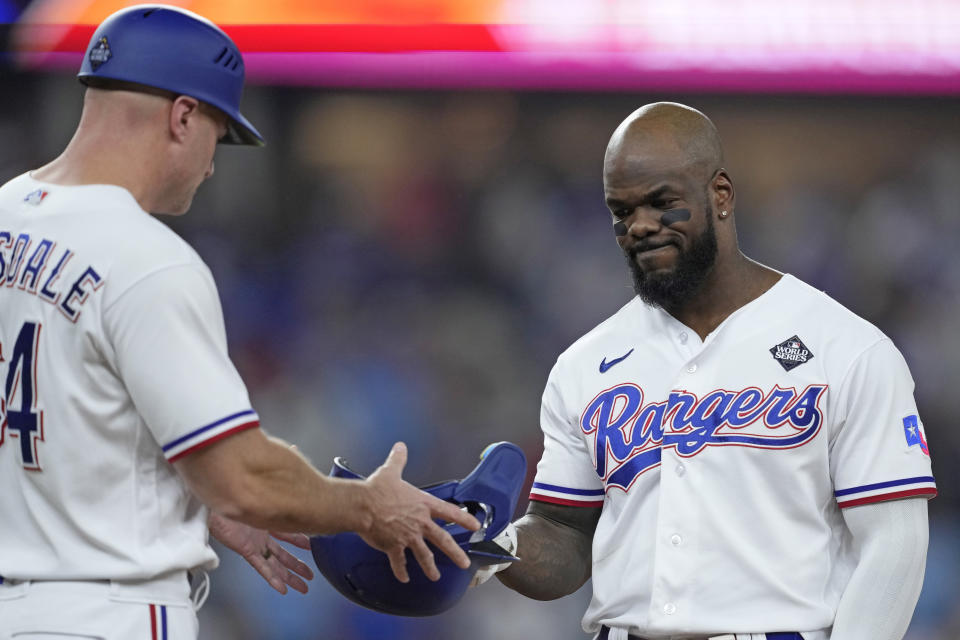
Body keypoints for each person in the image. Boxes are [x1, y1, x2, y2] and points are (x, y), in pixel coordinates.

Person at [0, 5, 477, 639]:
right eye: (217, 135)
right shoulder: (147, 258)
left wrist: (180, 499)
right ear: (183, 115)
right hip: (107, 615)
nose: (212, 164)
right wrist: (367, 507)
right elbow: (244, 478)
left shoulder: (8, 213)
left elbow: (67, 412)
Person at [475, 102, 936, 640]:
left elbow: (894, 544)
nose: (640, 226)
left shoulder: (846, 348)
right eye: (622, 211)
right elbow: (564, 533)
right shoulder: (585, 364)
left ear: (720, 194)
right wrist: (489, 543)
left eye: (661, 202)